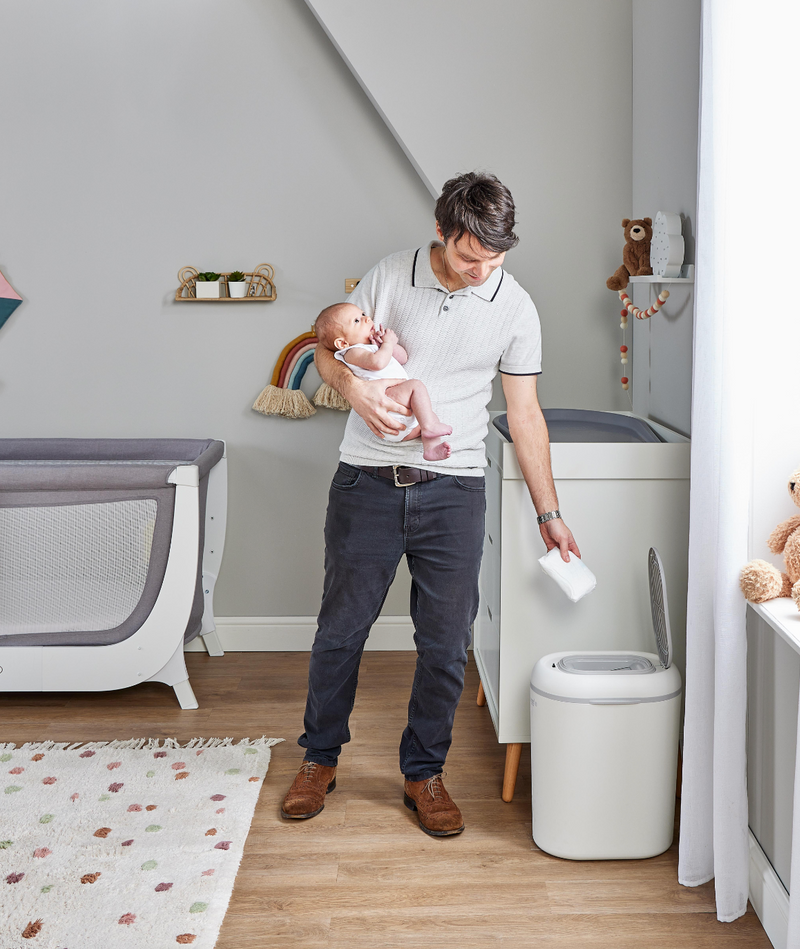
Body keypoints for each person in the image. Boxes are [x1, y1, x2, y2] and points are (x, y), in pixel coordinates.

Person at [282, 171, 580, 837]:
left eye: (495, 260)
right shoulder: (389, 276)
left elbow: (525, 417)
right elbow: (325, 349)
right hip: (365, 482)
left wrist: (548, 513)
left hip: (455, 490)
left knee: (445, 644)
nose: (482, 272)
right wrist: (354, 394)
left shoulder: (515, 306)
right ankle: (318, 757)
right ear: (441, 235)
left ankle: (424, 772)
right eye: (470, 256)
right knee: (339, 632)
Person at [314, 302, 453, 461]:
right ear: (342, 343)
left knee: (430, 415)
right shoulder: (351, 352)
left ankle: (430, 448)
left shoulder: (373, 347)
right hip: (386, 404)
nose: (367, 319)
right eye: (357, 321)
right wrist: (386, 344)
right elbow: (377, 363)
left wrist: (390, 344)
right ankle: (429, 428)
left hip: (402, 419)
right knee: (416, 386)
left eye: (364, 314)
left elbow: (403, 358)